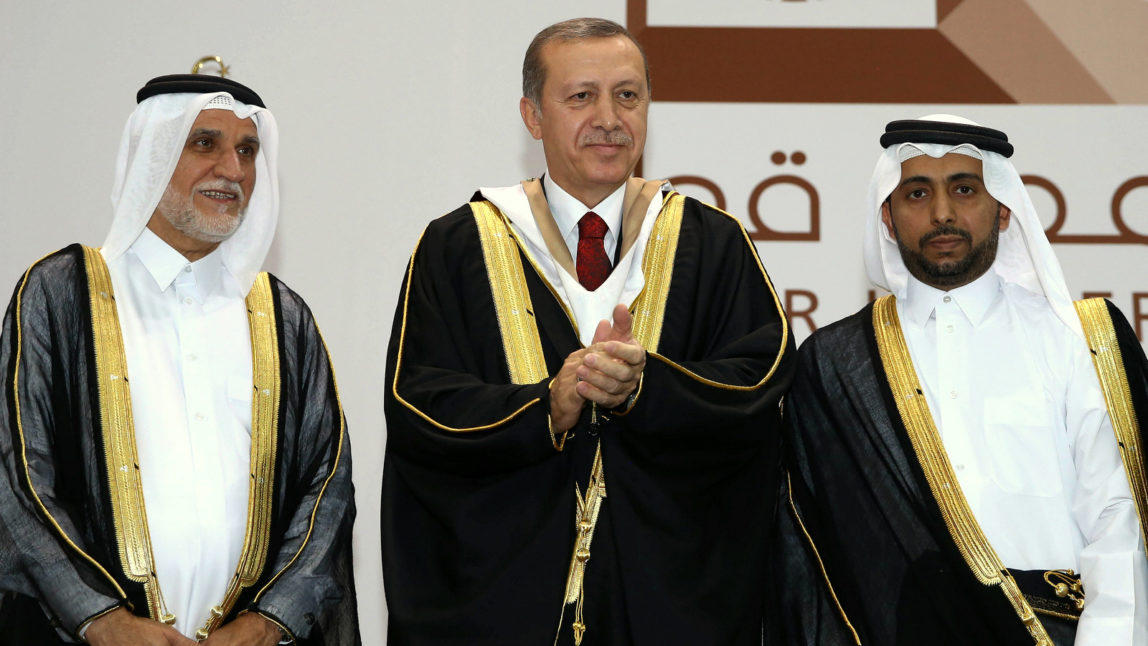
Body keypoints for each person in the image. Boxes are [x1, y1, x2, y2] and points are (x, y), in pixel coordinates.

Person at [382, 17, 794, 646]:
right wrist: (545, 405)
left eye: (627, 95)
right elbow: (420, 404)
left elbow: (759, 384)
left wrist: (645, 388)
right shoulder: (457, 245)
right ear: (532, 115)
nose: (609, 117)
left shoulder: (714, 244)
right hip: (502, 605)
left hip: (669, 607)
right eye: (581, 97)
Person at [0, 74, 359, 645]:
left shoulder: (281, 316)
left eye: (247, 150)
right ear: (152, 155)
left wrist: (271, 621)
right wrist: (103, 620)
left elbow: (327, 485)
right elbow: (19, 475)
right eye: (204, 144)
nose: (233, 169)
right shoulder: (61, 294)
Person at [774, 115, 1148, 646]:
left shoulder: (1076, 337)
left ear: (1001, 209)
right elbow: (811, 559)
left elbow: (1120, 516)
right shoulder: (834, 363)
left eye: (965, 189)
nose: (943, 213)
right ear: (887, 215)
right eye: (917, 192)